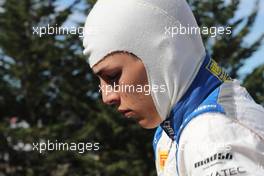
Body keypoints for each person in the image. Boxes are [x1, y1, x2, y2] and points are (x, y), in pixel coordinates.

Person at [82, 0, 264, 175]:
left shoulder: (213, 134)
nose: (107, 97)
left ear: (162, 54)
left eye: (113, 76)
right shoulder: (170, 132)